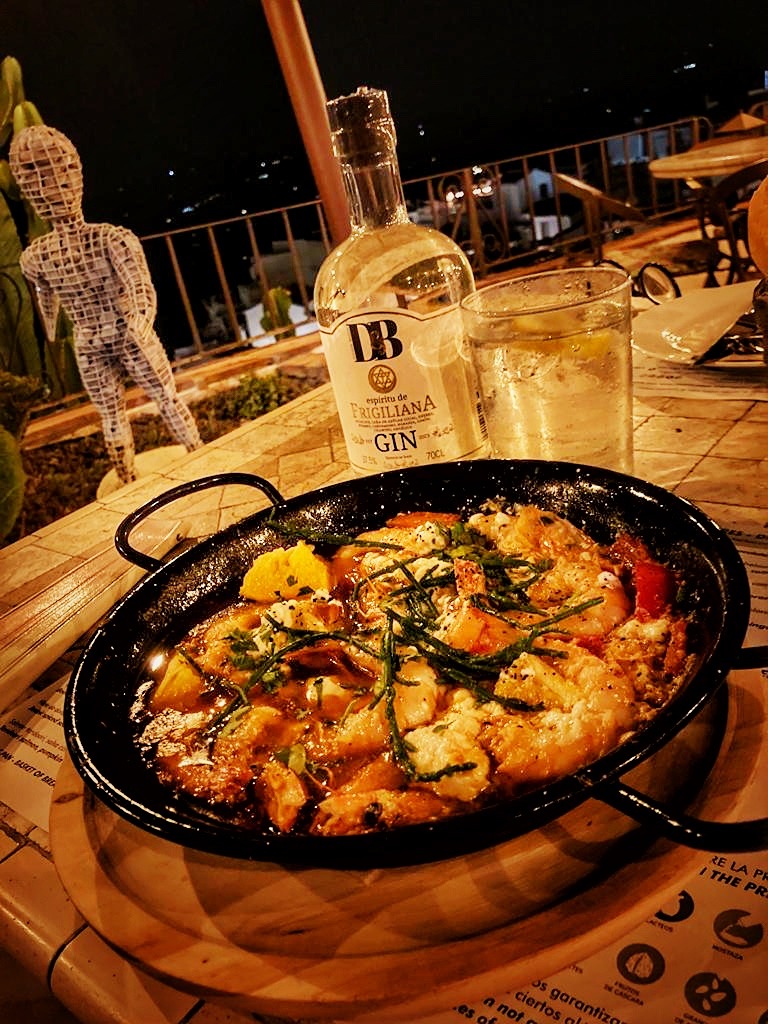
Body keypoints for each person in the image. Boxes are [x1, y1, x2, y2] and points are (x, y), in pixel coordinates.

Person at [9, 124, 202, 483]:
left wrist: (140, 321)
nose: (54, 186)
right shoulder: (72, 247)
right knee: (145, 406)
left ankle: (179, 460)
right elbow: (47, 298)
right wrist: (139, 323)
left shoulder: (60, 251)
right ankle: (166, 465)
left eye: (60, 173)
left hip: (112, 335)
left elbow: (139, 288)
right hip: (113, 335)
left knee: (148, 406)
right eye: (43, 177)